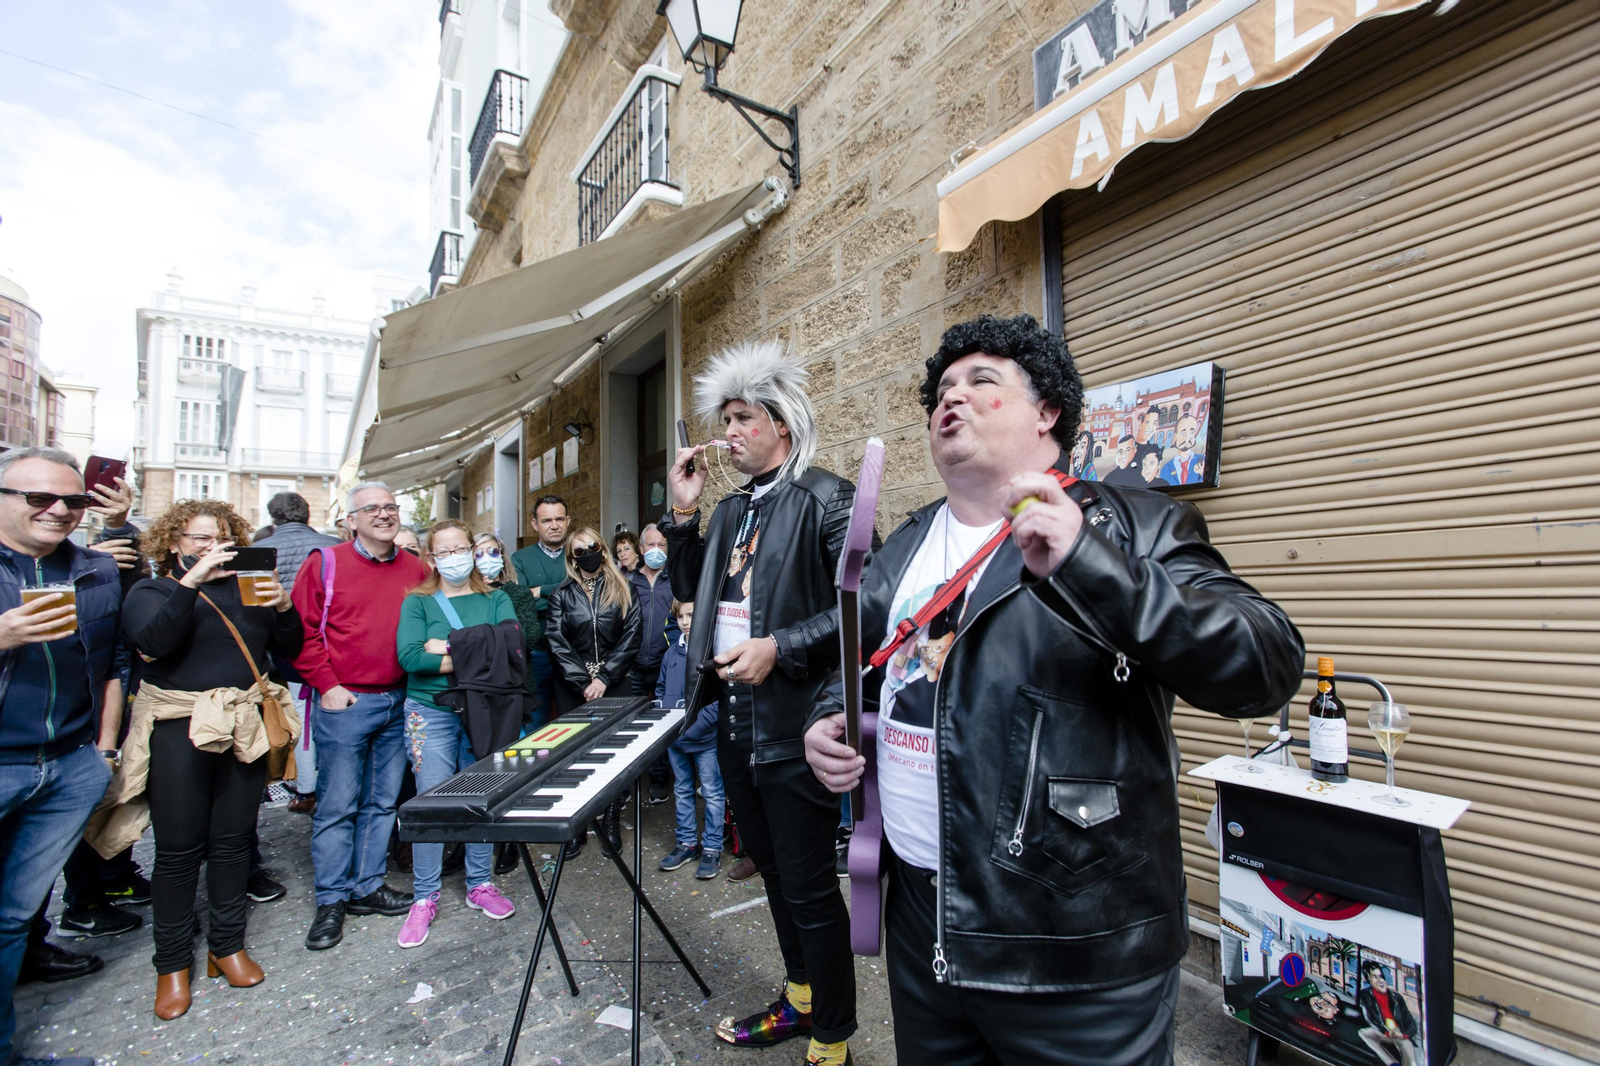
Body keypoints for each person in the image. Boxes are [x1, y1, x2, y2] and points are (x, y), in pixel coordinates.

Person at [803, 313, 1303, 1066]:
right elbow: (860, 662)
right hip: (922, 928)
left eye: (982, 382)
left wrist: (1092, 564)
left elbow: (1266, 662)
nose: (953, 397)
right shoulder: (904, 544)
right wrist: (830, 715)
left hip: (1074, 949)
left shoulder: (1129, 524)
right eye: (942, 388)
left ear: (1048, 413)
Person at [665, 340, 861, 1066]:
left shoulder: (827, 498)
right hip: (736, 727)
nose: (730, 432)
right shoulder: (731, 510)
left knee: (811, 889)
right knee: (776, 878)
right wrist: (685, 515)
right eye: (726, 419)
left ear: (781, 420)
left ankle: (834, 1039)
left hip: (799, 724)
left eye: (744, 416)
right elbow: (697, 585)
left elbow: (863, 605)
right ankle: (802, 1000)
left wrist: (782, 645)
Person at [121, 499, 302, 1019]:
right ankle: (172, 965)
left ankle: (227, 947)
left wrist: (285, 606)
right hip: (181, 730)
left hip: (242, 722)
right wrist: (192, 582)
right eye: (199, 537)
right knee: (178, 851)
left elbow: (286, 648)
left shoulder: (248, 588)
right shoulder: (152, 590)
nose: (211, 545)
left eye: (219, 536)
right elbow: (154, 643)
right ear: (173, 542)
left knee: (232, 844)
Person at [0, 448, 132, 1066]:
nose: (58, 512)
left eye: (71, 501)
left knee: (14, 915)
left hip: (70, 763)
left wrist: (102, 751)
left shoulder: (96, 569)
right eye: (38, 499)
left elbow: (114, 665)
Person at [290, 482, 429, 951]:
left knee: (383, 801)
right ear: (350, 520)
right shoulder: (324, 564)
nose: (384, 514)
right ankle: (331, 899)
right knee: (336, 804)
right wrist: (327, 686)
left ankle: (367, 886)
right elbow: (302, 633)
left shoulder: (415, 567)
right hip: (346, 703)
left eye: (391, 506)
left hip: (399, 700)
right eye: (372, 509)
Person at [395, 520, 519, 948]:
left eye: (460, 548)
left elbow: (510, 649)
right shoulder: (418, 603)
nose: (454, 558)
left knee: (482, 795)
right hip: (431, 711)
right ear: (431, 558)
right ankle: (424, 895)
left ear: (474, 549)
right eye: (444, 552)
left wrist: (445, 647)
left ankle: (480, 882)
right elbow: (411, 659)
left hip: (486, 712)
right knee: (432, 800)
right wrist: (478, 650)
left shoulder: (496, 597)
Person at [544, 528, 640, 856]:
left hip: (615, 680)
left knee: (614, 754)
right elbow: (556, 640)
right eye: (580, 550)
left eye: (593, 547)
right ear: (572, 558)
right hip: (575, 685)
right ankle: (577, 825)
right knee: (576, 757)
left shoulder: (624, 586)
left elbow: (632, 634)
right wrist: (582, 680)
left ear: (602, 548)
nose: (588, 553)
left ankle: (611, 818)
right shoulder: (561, 593)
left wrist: (606, 676)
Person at [253, 493, 337, 817]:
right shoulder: (332, 545)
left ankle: (307, 789)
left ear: (273, 517)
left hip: (285, 648)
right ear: (307, 513)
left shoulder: (261, 550)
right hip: (329, 644)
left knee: (301, 716)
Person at [655, 600, 724, 880]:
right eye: (680, 616)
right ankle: (686, 844)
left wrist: (692, 728)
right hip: (675, 741)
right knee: (682, 791)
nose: (685, 622)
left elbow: (719, 700)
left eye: (691, 615)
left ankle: (712, 847)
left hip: (703, 739)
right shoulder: (671, 653)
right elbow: (660, 689)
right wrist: (666, 725)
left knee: (712, 793)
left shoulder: (712, 654)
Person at [510, 495, 570, 725]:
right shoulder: (520, 559)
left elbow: (590, 595)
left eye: (559, 519)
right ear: (535, 524)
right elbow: (522, 604)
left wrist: (540, 591)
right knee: (536, 721)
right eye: (546, 520)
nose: (554, 525)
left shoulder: (579, 553)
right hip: (538, 653)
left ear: (568, 521)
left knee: (575, 720)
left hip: (576, 651)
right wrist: (568, 594)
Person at [627, 524, 675, 804]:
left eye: (662, 545)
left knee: (660, 724)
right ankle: (625, 783)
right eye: (651, 545)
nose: (656, 550)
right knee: (628, 725)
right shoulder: (628, 582)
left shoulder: (676, 581)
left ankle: (658, 778)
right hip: (631, 666)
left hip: (663, 665)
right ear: (641, 549)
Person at [1357, 962, 1418, 1066]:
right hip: (1383, 1031)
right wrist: (1385, 1031)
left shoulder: (1397, 997)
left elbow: (1411, 1023)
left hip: (1400, 1034)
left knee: (1411, 1061)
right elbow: (1370, 1018)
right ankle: (1393, 1063)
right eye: (1375, 977)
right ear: (1368, 979)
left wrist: (1403, 1033)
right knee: (1363, 1033)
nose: (1380, 980)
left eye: (1381, 976)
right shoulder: (1365, 995)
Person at [1158, 414, 1204, 486]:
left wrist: (1202, 473)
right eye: (1183, 433)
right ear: (1175, 436)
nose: (1187, 438)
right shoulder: (1166, 468)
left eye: (1191, 432)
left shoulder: (1202, 461)